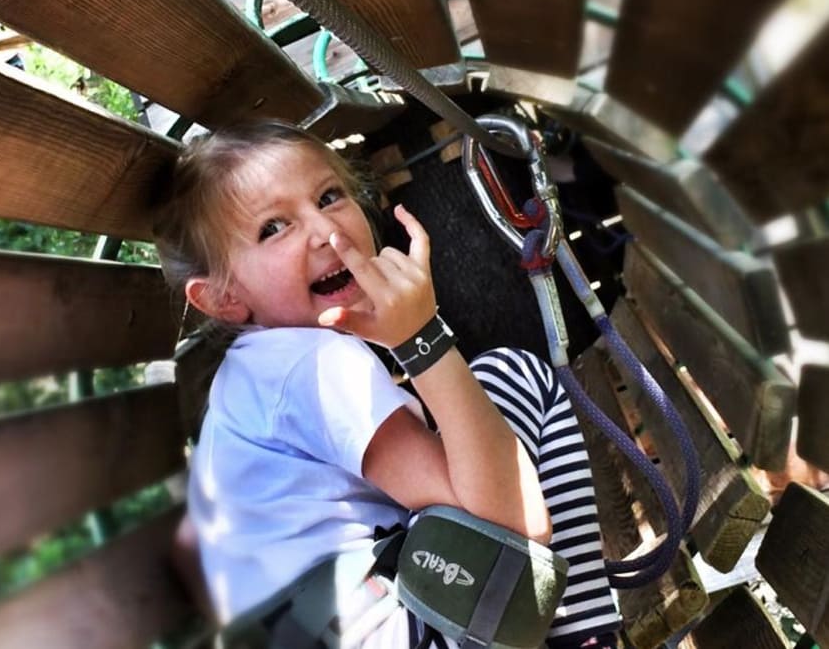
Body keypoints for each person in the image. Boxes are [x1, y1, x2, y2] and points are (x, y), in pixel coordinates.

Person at [154, 119, 620, 648]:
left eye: (329, 196)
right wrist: (423, 339)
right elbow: (513, 522)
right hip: (402, 633)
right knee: (512, 374)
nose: (326, 230)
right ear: (223, 299)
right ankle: (581, 637)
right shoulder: (314, 366)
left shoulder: (250, 380)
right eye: (273, 228)